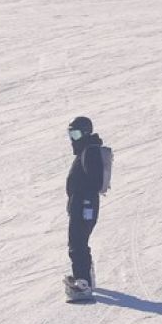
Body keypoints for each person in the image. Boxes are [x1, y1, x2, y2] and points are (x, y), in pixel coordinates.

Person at [65, 116, 105, 292]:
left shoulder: (91, 151)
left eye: (76, 134)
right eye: (71, 134)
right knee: (78, 241)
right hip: (80, 203)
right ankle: (85, 277)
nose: (73, 139)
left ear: (85, 133)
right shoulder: (87, 150)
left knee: (77, 242)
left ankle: (83, 282)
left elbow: (94, 182)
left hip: (84, 204)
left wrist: (85, 204)